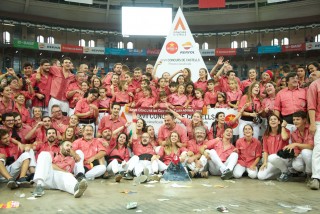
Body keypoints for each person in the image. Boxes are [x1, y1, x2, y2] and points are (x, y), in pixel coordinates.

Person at [257, 114, 290, 180]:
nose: (273, 121)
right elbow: (265, 150)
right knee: (261, 176)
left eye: (275, 119)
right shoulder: (266, 134)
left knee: (272, 157)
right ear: (268, 122)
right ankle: (280, 172)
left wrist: (283, 126)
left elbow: (284, 138)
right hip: (273, 160)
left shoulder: (285, 131)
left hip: (284, 158)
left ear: (279, 122)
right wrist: (265, 162)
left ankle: (286, 172)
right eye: (271, 120)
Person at [285, 111, 314, 180]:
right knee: (296, 165)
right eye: (294, 120)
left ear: (304, 120)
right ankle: (308, 171)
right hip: (303, 154)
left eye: (298, 119)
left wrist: (295, 144)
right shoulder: (294, 133)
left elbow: (311, 146)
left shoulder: (310, 129)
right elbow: (296, 149)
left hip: (313, 153)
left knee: (305, 152)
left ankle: (309, 174)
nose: (295, 122)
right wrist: (293, 154)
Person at [307, 73, 320, 190]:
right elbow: (311, 106)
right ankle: (316, 177)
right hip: (319, 120)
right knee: (318, 148)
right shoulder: (315, 85)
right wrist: (312, 123)